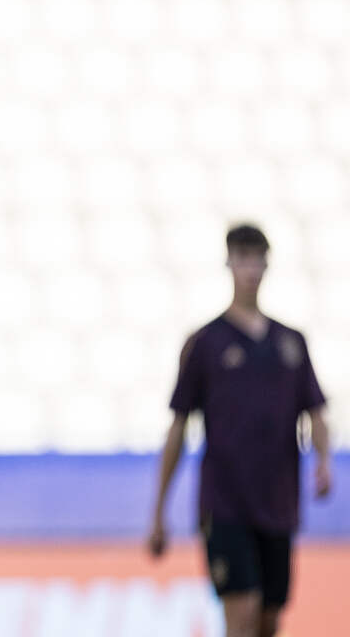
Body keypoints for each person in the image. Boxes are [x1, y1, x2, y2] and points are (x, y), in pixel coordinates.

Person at [148, 224, 332, 637]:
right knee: (243, 612)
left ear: (267, 265)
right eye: (242, 257)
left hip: (278, 500)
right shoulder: (205, 343)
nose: (250, 268)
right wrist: (159, 509)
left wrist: (323, 460)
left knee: (269, 620)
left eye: (257, 258)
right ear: (229, 262)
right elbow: (178, 425)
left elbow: (315, 411)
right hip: (226, 502)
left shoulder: (291, 343)